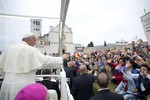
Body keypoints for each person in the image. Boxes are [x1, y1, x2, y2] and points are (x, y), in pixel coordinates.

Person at [0, 33, 66, 100]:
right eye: (34, 40)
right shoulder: (31, 50)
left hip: (6, 85)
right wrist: (61, 58)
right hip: (22, 87)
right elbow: (46, 61)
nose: (35, 43)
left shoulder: (10, 48)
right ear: (28, 40)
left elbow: (1, 67)